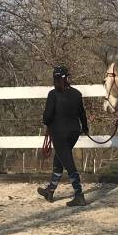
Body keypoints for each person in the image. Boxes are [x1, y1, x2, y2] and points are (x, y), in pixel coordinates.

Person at [38, 65, 89, 206]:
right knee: (59, 159)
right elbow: (82, 114)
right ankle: (50, 190)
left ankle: (79, 194)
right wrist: (85, 128)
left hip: (59, 133)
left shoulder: (53, 94)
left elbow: (47, 117)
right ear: (67, 78)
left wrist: (48, 122)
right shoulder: (77, 94)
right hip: (74, 132)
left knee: (68, 163)